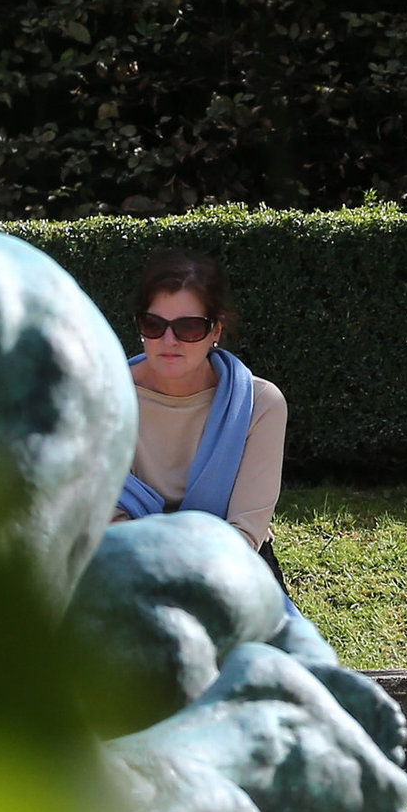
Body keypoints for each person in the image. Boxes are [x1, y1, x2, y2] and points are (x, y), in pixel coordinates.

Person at [112, 249, 294, 599]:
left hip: (232, 565)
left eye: (189, 328)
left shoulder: (261, 405)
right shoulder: (103, 396)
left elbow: (245, 532)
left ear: (216, 331)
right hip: (128, 558)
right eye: (154, 325)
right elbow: (103, 516)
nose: (169, 341)